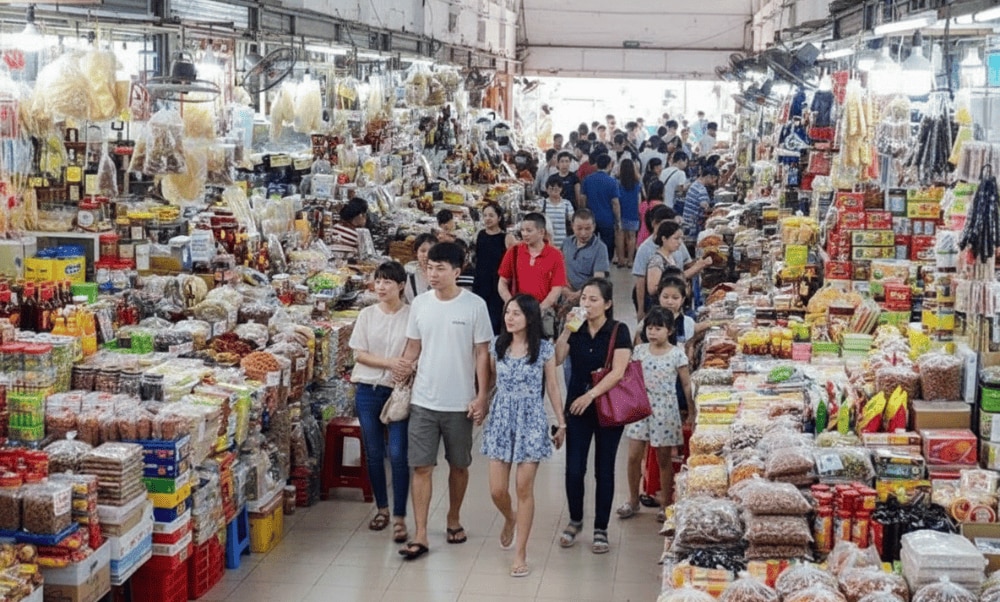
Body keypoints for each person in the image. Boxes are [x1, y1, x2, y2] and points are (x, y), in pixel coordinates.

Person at [394, 242, 493, 561]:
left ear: (457, 271)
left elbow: (482, 353)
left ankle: (453, 517)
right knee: (420, 466)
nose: (432, 274)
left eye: (440, 268)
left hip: (459, 403)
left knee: (459, 466)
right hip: (423, 400)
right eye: (429, 268)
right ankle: (421, 533)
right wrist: (401, 368)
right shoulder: (420, 305)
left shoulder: (474, 306)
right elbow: (413, 347)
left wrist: (481, 396)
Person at [483, 294, 565, 578]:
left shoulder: (544, 349)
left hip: (531, 419)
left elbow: (553, 388)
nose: (509, 317)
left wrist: (560, 422)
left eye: (516, 313)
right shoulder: (497, 345)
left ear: (529, 317)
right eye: (508, 312)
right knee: (497, 490)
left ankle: (520, 553)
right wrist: (479, 402)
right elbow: (491, 381)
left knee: (523, 489)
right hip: (502, 417)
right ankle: (510, 517)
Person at [555, 278, 632, 554]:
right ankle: (575, 519)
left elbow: (619, 371)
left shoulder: (619, 331)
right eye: (584, 298)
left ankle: (601, 528)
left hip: (606, 406)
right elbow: (557, 359)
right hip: (577, 406)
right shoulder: (575, 328)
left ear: (608, 304)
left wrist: (591, 395)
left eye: (593, 299)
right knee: (574, 468)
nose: (586, 304)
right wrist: (566, 331)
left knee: (604, 469)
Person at [349, 261, 412, 544]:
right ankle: (382, 509)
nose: (381, 287)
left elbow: (417, 351)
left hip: (398, 391)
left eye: (388, 282)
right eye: (378, 281)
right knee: (374, 452)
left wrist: (407, 367)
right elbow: (359, 354)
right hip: (367, 389)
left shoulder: (412, 316)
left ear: (401, 285)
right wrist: (390, 362)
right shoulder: (366, 315)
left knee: (398, 453)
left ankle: (400, 515)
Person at [618, 307, 692, 521]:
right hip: (640, 407)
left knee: (663, 459)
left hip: (666, 410)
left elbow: (686, 385)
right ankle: (633, 499)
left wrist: (691, 412)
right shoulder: (639, 351)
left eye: (658, 328)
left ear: (669, 330)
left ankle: (665, 503)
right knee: (633, 456)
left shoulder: (677, 354)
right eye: (650, 328)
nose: (652, 332)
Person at [498, 213, 568, 336]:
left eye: (529, 230)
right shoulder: (514, 251)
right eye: (523, 230)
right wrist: (510, 303)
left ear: (541, 232)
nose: (524, 234)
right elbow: (503, 282)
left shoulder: (555, 255)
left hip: (542, 313)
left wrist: (541, 308)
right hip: (517, 312)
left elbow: (557, 288)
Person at [474, 203, 516, 333]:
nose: (487, 218)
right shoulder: (480, 235)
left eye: (491, 215)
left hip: (498, 284)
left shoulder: (507, 238)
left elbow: (514, 262)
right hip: (481, 282)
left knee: (494, 321)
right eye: (485, 215)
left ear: (499, 218)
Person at [560, 209, 611, 304]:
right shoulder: (566, 243)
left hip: (589, 300)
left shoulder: (600, 248)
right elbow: (558, 269)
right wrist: (566, 292)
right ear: (572, 226)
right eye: (579, 228)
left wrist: (579, 295)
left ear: (594, 227)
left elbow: (598, 280)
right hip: (566, 295)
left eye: (587, 228)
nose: (583, 233)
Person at [579, 154, 620, 262]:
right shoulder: (612, 181)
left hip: (590, 217)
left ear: (596, 165)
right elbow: (615, 203)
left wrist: (583, 213)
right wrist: (618, 220)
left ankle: (589, 263)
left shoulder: (587, 180)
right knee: (607, 245)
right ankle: (605, 265)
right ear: (609, 165)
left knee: (589, 242)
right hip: (607, 218)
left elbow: (582, 199)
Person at [616, 158, 641, 269]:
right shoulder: (637, 185)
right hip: (633, 213)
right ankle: (630, 261)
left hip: (621, 213)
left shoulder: (617, 183)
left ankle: (621, 260)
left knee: (620, 236)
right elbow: (639, 201)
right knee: (632, 237)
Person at [683, 165, 719, 239]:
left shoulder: (695, 184)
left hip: (686, 222)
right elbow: (705, 208)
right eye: (714, 180)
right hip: (692, 226)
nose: (714, 183)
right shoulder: (702, 190)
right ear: (709, 176)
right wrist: (716, 210)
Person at [542, 175, 575, 249]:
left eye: (557, 188)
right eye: (551, 188)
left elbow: (573, 220)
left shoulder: (567, 204)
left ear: (561, 189)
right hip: (546, 243)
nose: (554, 191)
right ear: (546, 190)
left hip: (563, 243)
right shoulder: (542, 204)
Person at [405, 233, 436, 302]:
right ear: (416, 253)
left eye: (431, 251)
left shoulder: (443, 273)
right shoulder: (409, 272)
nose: (427, 255)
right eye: (423, 251)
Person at [638, 179, 665, 247]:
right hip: (653, 240)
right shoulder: (661, 208)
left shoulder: (643, 204)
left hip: (641, 238)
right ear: (661, 193)